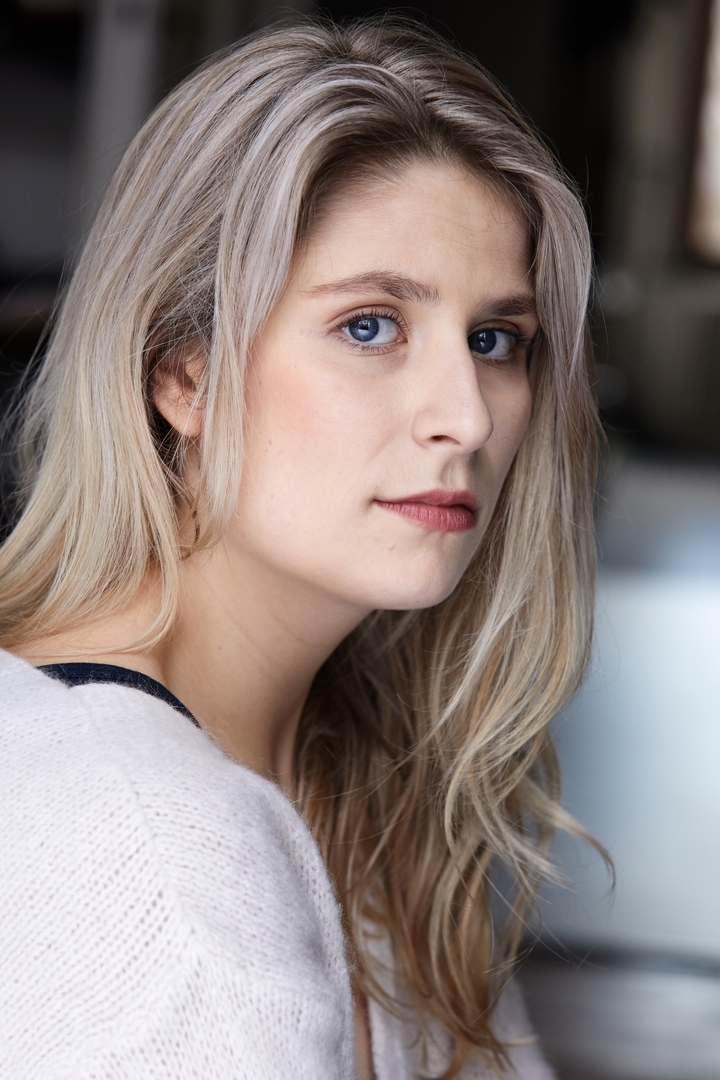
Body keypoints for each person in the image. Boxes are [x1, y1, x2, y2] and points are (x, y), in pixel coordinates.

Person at [0, 18, 596, 1080]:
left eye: (494, 339)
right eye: (371, 326)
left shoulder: (363, 785)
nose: (466, 416)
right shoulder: (141, 845)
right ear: (183, 373)